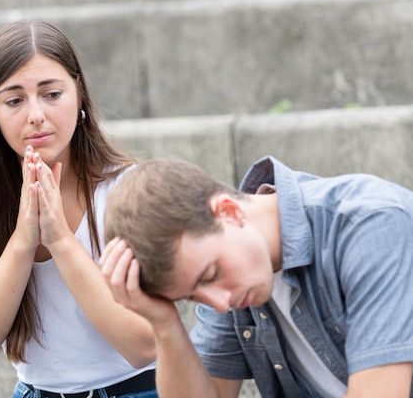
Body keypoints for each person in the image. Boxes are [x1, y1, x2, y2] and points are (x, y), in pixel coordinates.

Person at [0, 20, 157, 398]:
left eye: (51, 94)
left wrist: (59, 239)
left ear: (79, 92)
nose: (35, 114)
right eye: (14, 100)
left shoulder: (128, 188)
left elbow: (143, 346)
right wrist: (24, 239)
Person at [99, 156, 413, 398]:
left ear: (229, 213)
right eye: (192, 297)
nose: (220, 303)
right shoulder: (230, 271)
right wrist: (164, 324)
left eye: (211, 274)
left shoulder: (370, 225)